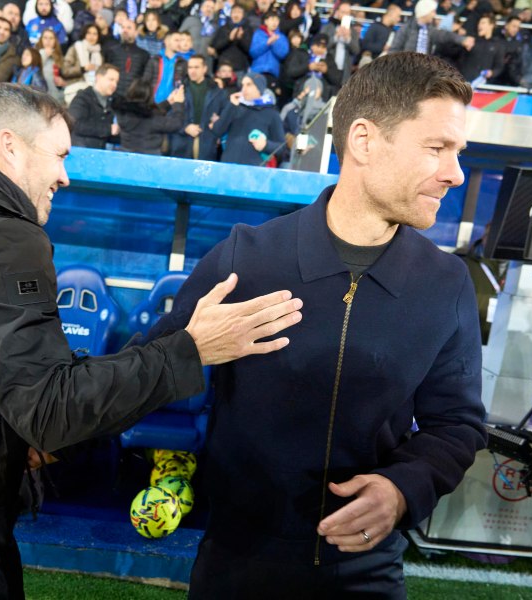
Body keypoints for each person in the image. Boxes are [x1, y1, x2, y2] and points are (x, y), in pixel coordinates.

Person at [0, 82, 302, 599]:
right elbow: (52, 410)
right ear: (10, 146)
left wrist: (12, 438)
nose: (65, 175)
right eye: (61, 155)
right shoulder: (0, 236)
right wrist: (191, 349)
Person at [145, 52, 487, 598]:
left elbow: (456, 426)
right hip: (236, 567)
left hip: (366, 574)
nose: (455, 172)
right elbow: (146, 370)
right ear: (364, 140)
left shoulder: (444, 283)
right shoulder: (247, 259)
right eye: (437, 148)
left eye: (457, 151)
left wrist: (402, 490)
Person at [211, 70, 284, 166]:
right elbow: (217, 130)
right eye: (243, 85)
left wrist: (265, 145)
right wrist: (231, 106)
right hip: (228, 167)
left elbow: (281, 148)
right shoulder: (235, 107)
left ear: (259, 88)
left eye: (249, 85)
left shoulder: (272, 113)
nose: (244, 89)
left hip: (254, 171)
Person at [170, 53, 225, 160]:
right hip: (182, 142)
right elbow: (171, 116)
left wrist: (217, 130)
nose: (192, 71)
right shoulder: (180, 90)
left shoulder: (217, 92)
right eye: (190, 67)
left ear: (204, 69)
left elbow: (223, 116)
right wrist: (185, 127)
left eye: (196, 67)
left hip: (207, 142)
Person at [113, 76, 185, 154]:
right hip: (150, 160)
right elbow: (176, 124)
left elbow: (141, 110)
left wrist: (167, 103)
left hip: (126, 157)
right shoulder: (152, 119)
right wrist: (178, 103)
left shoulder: (122, 114)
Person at [390, 0, 474, 55]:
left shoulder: (430, 29)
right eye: (432, 11)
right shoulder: (406, 28)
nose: (434, 15)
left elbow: (444, 35)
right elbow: (394, 51)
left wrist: (462, 39)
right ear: (425, 12)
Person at [68, 62, 119, 148]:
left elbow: (107, 134)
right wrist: (108, 129)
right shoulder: (82, 98)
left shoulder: (112, 101)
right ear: (98, 77)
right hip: (81, 151)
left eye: (116, 82)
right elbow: (75, 124)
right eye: (111, 79)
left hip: (99, 152)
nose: (114, 85)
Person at [102, 17, 149, 98]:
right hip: (112, 97)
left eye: (129, 28)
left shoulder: (144, 55)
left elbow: (144, 79)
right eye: (123, 27)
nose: (125, 30)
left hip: (134, 98)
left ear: (136, 32)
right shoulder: (111, 51)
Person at [60, 22, 103, 104]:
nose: (92, 36)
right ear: (84, 34)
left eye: (95, 34)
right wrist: (83, 69)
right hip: (74, 90)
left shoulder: (100, 53)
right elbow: (65, 70)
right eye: (89, 33)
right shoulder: (75, 48)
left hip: (93, 93)